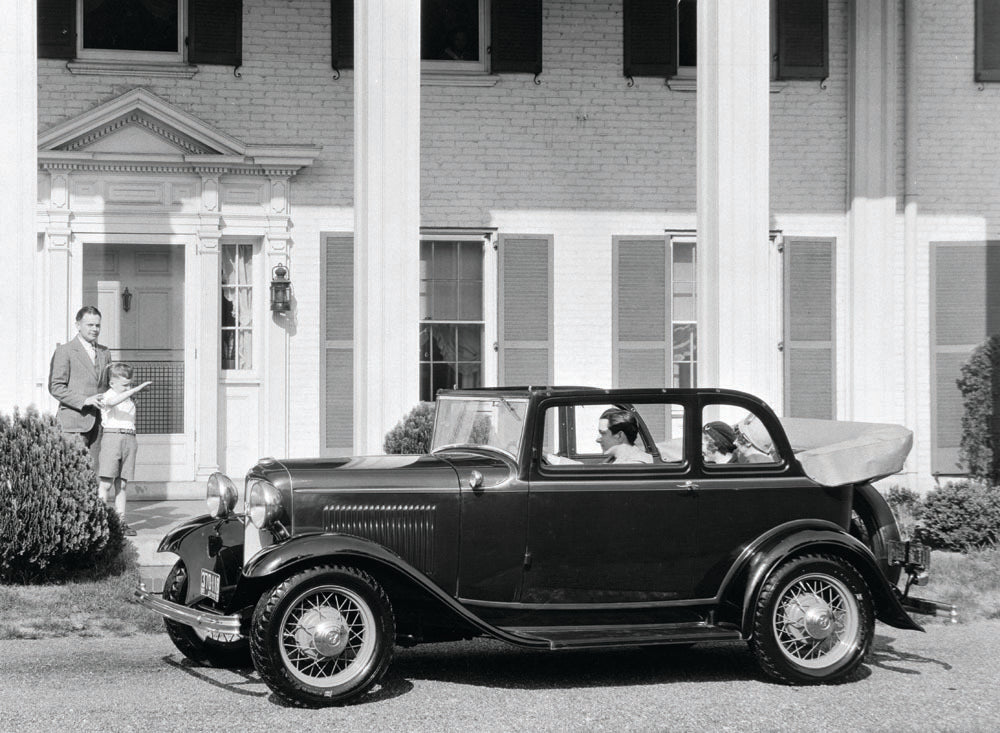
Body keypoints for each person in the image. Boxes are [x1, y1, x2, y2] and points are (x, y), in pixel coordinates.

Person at [48, 306, 112, 472]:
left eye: (97, 325)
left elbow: (108, 384)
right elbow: (56, 387)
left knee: (95, 474)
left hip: (99, 424)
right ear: (78, 325)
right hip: (73, 424)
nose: (95, 329)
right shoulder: (65, 351)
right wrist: (84, 400)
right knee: (72, 473)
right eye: (90, 325)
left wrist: (127, 394)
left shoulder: (105, 352)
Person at [98, 362, 152, 537]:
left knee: (122, 484)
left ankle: (120, 522)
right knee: (106, 482)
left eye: (130, 384)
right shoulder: (106, 396)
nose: (128, 388)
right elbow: (112, 402)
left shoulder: (128, 397)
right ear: (112, 383)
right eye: (124, 385)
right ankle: (100, 522)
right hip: (113, 437)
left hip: (129, 438)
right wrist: (135, 390)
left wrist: (131, 393)